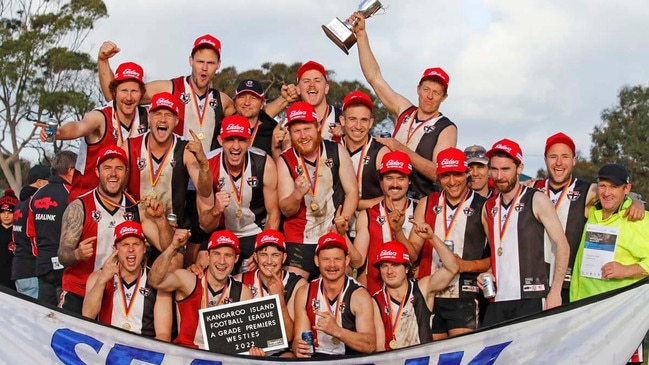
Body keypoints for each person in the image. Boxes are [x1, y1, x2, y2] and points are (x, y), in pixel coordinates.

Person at [350, 14, 457, 200]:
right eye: (426, 89)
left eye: (436, 92)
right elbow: (374, 78)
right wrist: (361, 36)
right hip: (389, 198)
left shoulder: (446, 127)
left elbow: (439, 173)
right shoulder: (405, 110)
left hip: (420, 201)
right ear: (418, 89)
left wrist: (400, 149)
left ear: (444, 97)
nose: (429, 96)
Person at [58, 145, 172, 314]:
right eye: (107, 168)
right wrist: (77, 254)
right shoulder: (79, 207)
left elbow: (166, 247)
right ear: (97, 172)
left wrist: (161, 219)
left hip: (116, 295)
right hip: (80, 291)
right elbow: (62, 254)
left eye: (119, 168)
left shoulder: (136, 208)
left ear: (125, 173)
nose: (113, 174)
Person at [533, 132, 645, 303]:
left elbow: (621, 195)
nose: (558, 162)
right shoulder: (533, 189)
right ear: (545, 159)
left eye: (565, 156)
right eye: (553, 156)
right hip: (537, 282)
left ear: (574, 160)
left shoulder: (588, 191)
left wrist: (638, 202)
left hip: (568, 285)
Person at [477, 139, 570, 326]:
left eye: (505, 169)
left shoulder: (536, 199)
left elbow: (562, 245)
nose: (499, 176)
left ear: (519, 168)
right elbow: (499, 252)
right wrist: (486, 273)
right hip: (498, 299)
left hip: (531, 297)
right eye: (494, 169)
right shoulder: (488, 207)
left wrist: (555, 291)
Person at [406, 147, 490, 340]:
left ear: (466, 173)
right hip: (431, 293)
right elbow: (412, 254)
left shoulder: (484, 205)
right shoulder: (426, 203)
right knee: (434, 357)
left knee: (459, 354)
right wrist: (396, 232)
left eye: (457, 174)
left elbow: (494, 259)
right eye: (446, 176)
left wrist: (466, 265)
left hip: (465, 294)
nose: (452, 182)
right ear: (438, 177)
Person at [36, 62, 148, 202]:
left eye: (134, 91)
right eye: (124, 90)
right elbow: (79, 127)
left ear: (142, 93)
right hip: (88, 201)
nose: (129, 97)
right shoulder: (100, 117)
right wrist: (59, 132)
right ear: (114, 92)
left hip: (124, 203)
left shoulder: (147, 117)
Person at [277, 102, 358, 279]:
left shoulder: (336, 150)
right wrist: (296, 194)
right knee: (292, 288)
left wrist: (342, 222)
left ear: (318, 128)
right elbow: (285, 209)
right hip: (299, 238)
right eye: (297, 131)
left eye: (307, 129)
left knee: (342, 281)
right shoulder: (285, 160)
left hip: (331, 232)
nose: (303, 136)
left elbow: (352, 192)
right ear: (290, 133)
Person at [124, 92, 214, 233]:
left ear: (176, 121)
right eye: (158, 114)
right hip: (136, 229)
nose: (163, 119)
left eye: (169, 115)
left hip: (172, 228)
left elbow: (206, 191)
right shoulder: (129, 146)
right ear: (149, 118)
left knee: (176, 254)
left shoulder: (185, 149)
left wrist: (203, 163)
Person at [199, 115, 280, 272]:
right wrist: (216, 210)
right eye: (230, 140)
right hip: (221, 233)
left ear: (249, 141)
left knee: (266, 267)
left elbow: (273, 214)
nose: (236, 147)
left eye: (241, 140)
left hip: (255, 232)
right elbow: (205, 225)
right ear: (220, 140)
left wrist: (262, 250)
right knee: (201, 265)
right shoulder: (207, 165)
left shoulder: (264, 162)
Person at [148, 229, 253, 349]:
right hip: (186, 355)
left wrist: (254, 350)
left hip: (221, 358)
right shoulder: (190, 280)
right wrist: (172, 247)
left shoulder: (243, 292)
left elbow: (245, 339)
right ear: (208, 256)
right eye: (216, 254)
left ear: (236, 259)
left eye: (228, 255)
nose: (222, 261)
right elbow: (155, 280)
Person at [570, 163, 649, 301]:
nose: (606, 193)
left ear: (626, 189)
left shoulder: (639, 219)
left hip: (614, 310)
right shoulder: (593, 212)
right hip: (581, 306)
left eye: (614, 187)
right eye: (603, 186)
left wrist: (626, 270)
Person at [82, 221, 172, 340]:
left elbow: (163, 335)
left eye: (136, 244)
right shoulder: (98, 277)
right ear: (115, 249)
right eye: (125, 245)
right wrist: (102, 281)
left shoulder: (157, 281)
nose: (131, 249)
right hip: (107, 348)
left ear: (144, 249)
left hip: (142, 351)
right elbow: (87, 317)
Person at [292, 232, 376, 357]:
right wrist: (298, 348)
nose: (332, 265)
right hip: (317, 359)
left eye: (337, 259)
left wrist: (337, 331)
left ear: (347, 260)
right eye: (326, 259)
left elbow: (370, 345)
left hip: (349, 360)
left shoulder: (359, 295)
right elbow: (298, 338)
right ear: (316, 260)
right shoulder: (305, 292)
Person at [349, 150, 416, 294]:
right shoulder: (367, 215)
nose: (395, 184)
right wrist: (342, 235)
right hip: (376, 293)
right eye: (389, 178)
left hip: (411, 295)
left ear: (409, 180)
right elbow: (357, 262)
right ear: (381, 181)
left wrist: (397, 231)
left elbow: (414, 257)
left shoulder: (419, 211)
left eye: (401, 178)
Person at [372, 239, 458, 351]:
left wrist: (431, 237)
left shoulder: (422, 288)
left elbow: (452, 268)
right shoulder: (375, 300)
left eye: (395, 265)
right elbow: (380, 347)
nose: (389, 271)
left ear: (407, 268)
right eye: (384, 266)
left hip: (423, 359)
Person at [236, 229, 307, 354]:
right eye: (263, 255)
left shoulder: (297, 284)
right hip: (248, 350)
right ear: (255, 257)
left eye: (275, 255)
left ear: (284, 257)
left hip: (280, 350)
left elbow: (289, 336)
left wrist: (279, 298)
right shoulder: (240, 280)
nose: (269, 261)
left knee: (288, 359)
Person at [27, 151, 77, 305]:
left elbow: (31, 234)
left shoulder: (35, 196)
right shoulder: (72, 195)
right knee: (66, 318)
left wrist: (42, 256)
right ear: (70, 170)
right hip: (66, 267)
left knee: (45, 318)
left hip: (43, 266)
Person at [339, 90, 389, 238]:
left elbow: (393, 196)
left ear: (371, 123)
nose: (358, 126)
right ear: (343, 121)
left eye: (364, 120)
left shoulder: (381, 152)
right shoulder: (333, 148)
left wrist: (354, 202)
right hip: (337, 226)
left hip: (372, 228)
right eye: (353, 119)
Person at [213, 79, 286, 160]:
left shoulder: (272, 129)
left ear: (262, 104)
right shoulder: (222, 127)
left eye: (253, 98)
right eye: (242, 97)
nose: (247, 103)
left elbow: (281, 165)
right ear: (235, 102)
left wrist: (276, 149)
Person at [279, 61, 343, 143]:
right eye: (306, 81)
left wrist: (347, 132)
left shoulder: (341, 118)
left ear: (326, 88)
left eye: (317, 80)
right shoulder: (291, 120)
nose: (312, 84)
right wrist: (275, 146)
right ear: (298, 89)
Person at [12, 165, 50, 298]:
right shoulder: (34, 203)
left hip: (19, 269)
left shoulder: (19, 203)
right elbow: (33, 235)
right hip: (32, 269)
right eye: (48, 181)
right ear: (40, 182)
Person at [0, 189, 18, 290]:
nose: (6, 216)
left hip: (14, 279)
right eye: (3, 212)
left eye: (10, 212)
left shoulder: (19, 232)